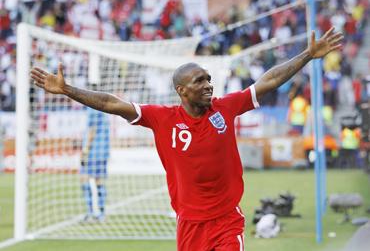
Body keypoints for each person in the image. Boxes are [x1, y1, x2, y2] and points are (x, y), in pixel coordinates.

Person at [30, 27, 342, 251]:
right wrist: (69, 89)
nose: (208, 85)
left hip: (226, 221)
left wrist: (307, 55)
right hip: (189, 224)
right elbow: (112, 104)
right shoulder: (162, 118)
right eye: (200, 80)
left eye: (209, 78)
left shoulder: (226, 107)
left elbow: (268, 80)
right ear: (182, 90)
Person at [80, 103, 110, 222]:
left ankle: (91, 213)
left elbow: (92, 130)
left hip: (94, 151)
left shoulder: (92, 106)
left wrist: (85, 150)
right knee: (99, 181)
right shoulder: (103, 105)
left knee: (84, 179)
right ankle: (101, 214)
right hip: (103, 150)